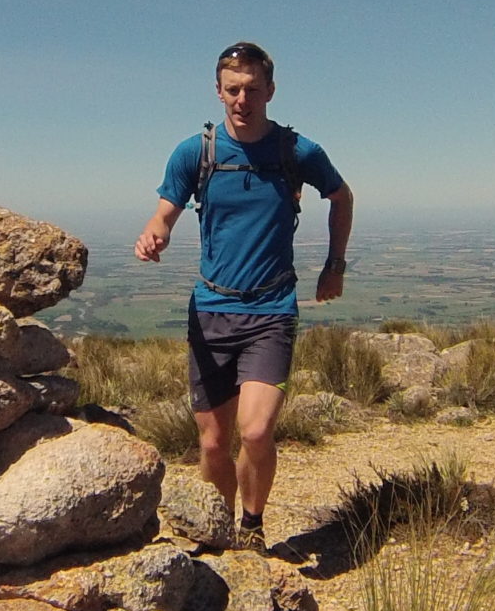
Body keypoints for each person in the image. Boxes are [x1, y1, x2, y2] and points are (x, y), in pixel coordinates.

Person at [134, 41, 352, 550]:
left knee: (254, 433)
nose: (242, 98)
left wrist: (334, 264)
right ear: (218, 91)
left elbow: (341, 197)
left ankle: (251, 527)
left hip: (272, 309)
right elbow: (165, 210)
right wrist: (154, 234)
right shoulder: (197, 152)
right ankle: (217, 533)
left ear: (270, 90)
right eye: (232, 89)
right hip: (211, 311)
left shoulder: (296, 152)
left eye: (253, 89)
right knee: (212, 442)